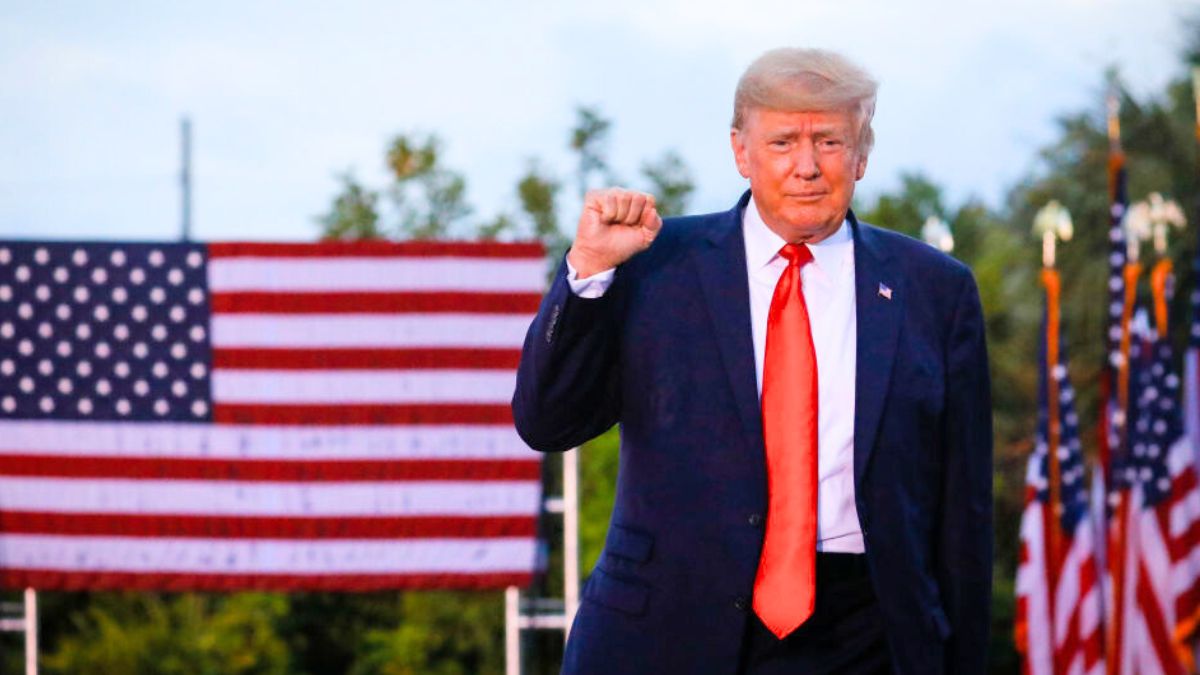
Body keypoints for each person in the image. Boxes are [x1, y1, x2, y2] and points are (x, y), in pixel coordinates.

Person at [512, 47, 992, 675]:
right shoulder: (654, 264)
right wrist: (587, 274)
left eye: (829, 141)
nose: (807, 167)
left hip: (869, 636)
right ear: (740, 151)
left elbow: (964, 517)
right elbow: (547, 421)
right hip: (668, 631)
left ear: (862, 155)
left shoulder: (936, 290)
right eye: (783, 141)